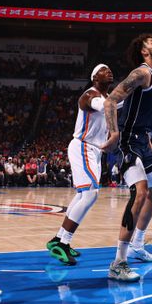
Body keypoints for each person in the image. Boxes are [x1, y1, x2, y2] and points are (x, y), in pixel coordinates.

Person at [103, 34, 152, 282]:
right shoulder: (140, 74)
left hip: (144, 140)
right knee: (140, 192)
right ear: (143, 51)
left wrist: (149, 138)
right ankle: (118, 262)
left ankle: (138, 244)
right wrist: (114, 132)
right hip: (129, 140)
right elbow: (111, 100)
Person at [46, 64, 116, 265]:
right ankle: (64, 242)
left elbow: (112, 106)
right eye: (104, 70)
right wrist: (126, 92)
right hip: (84, 146)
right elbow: (103, 106)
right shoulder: (89, 95)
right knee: (90, 195)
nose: (108, 71)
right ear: (95, 77)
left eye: (109, 69)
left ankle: (58, 239)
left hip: (94, 150)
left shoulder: (106, 98)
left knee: (82, 195)